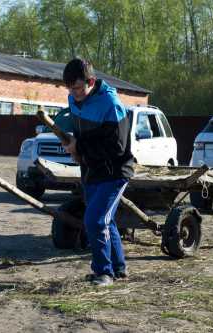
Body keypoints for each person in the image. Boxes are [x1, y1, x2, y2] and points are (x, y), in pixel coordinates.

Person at [62, 58, 134, 287]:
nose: (74, 94)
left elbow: (117, 147)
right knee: (106, 220)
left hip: (114, 172)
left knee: (94, 220)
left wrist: (80, 147)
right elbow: (78, 133)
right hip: (91, 170)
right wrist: (72, 143)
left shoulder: (111, 104)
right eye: (70, 89)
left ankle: (104, 273)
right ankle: (119, 268)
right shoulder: (73, 100)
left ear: (91, 81)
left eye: (78, 88)